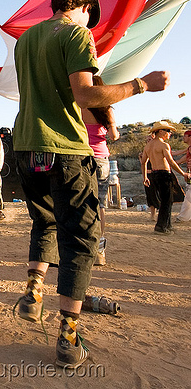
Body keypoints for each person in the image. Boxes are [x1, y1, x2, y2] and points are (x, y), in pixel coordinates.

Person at [12, 0, 170, 368]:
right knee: (81, 237)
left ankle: (33, 293)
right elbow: (85, 96)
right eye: (91, 16)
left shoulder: (25, 40)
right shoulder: (76, 33)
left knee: (45, 221)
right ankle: (67, 337)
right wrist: (141, 85)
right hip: (64, 148)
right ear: (82, 6)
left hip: (25, 147)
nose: (91, 24)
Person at [81, 76, 120, 266]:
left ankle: (82, 245)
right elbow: (114, 135)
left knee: (81, 203)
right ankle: (99, 250)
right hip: (102, 159)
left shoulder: (79, 108)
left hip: (82, 159)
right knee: (100, 205)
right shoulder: (107, 110)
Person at [141, 121, 191, 234]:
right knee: (167, 201)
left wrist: (145, 177)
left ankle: (167, 225)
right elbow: (171, 162)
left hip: (154, 174)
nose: (170, 133)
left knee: (167, 200)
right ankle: (161, 227)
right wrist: (183, 173)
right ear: (161, 131)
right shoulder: (163, 145)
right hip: (164, 174)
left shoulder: (148, 146)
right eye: (168, 131)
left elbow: (143, 162)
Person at [139, 134, 159, 221]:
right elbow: (143, 164)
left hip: (156, 174)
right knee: (150, 195)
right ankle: (152, 215)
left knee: (157, 194)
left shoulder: (157, 150)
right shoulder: (145, 150)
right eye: (147, 140)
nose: (148, 141)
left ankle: (158, 214)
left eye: (150, 139)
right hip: (148, 175)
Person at [174, 130, 191, 222]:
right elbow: (182, 158)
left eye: (185, 136)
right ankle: (183, 217)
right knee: (188, 199)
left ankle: (183, 217)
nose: (183, 138)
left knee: (189, 196)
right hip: (189, 175)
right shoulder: (189, 149)